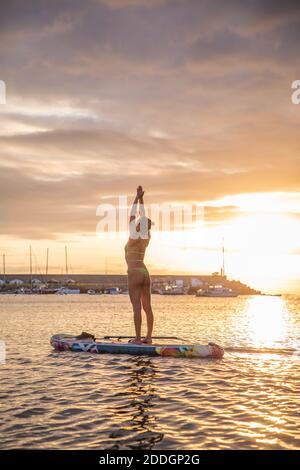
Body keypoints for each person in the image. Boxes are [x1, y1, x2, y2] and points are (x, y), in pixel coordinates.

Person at [125, 186, 154, 344]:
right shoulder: (146, 236)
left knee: (137, 307)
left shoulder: (133, 235)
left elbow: (133, 214)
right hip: (145, 271)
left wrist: (136, 198)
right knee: (147, 307)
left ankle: (137, 338)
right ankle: (148, 338)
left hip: (134, 271)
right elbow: (143, 216)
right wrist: (142, 198)